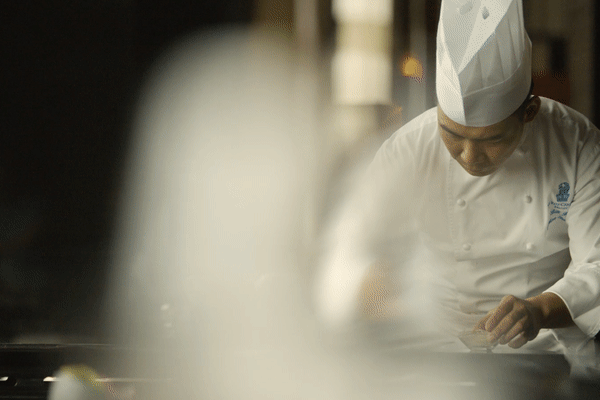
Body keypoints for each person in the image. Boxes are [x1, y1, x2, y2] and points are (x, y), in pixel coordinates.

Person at [315, 0, 600, 353]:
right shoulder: (409, 148)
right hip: (433, 344)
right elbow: (347, 246)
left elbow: (597, 263)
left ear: (529, 111)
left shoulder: (577, 144)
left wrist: (538, 310)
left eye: (492, 140)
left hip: (546, 346)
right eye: (451, 134)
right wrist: (366, 281)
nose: (469, 156)